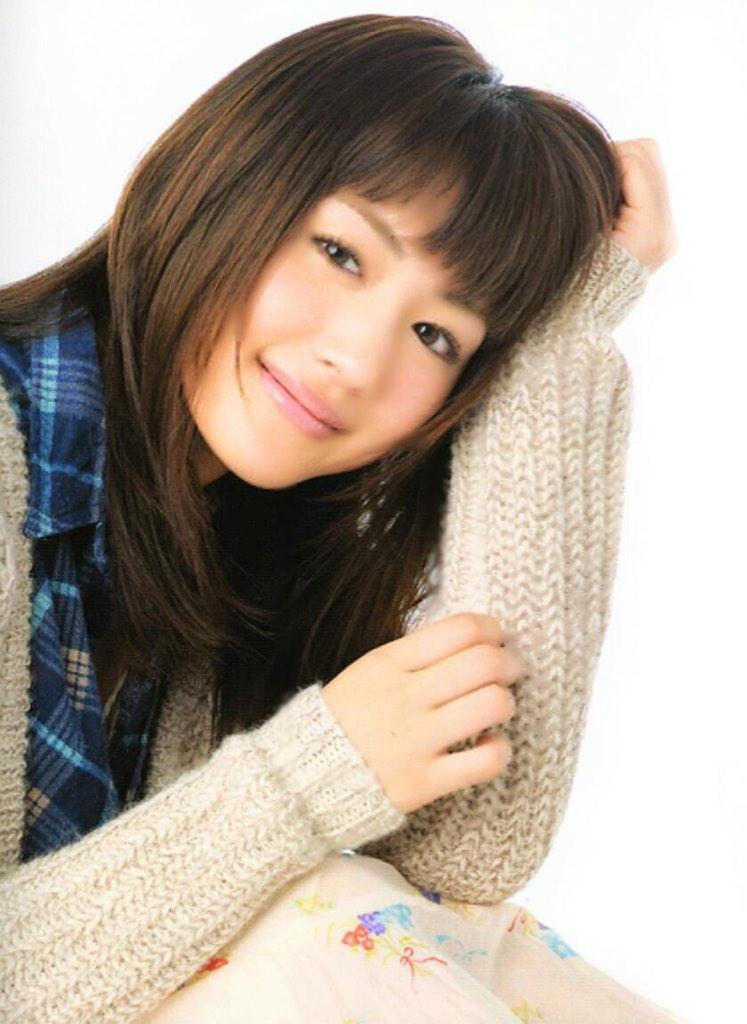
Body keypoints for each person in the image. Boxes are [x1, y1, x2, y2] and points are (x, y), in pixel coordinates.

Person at [0, 13, 682, 1024]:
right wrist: (312, 774)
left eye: (436, 335)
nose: (359, 361)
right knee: (323, 925)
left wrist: (560, 337)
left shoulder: (235, 539)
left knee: (403, 925)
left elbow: (470, 859)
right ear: (228, 181)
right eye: (340, 252)